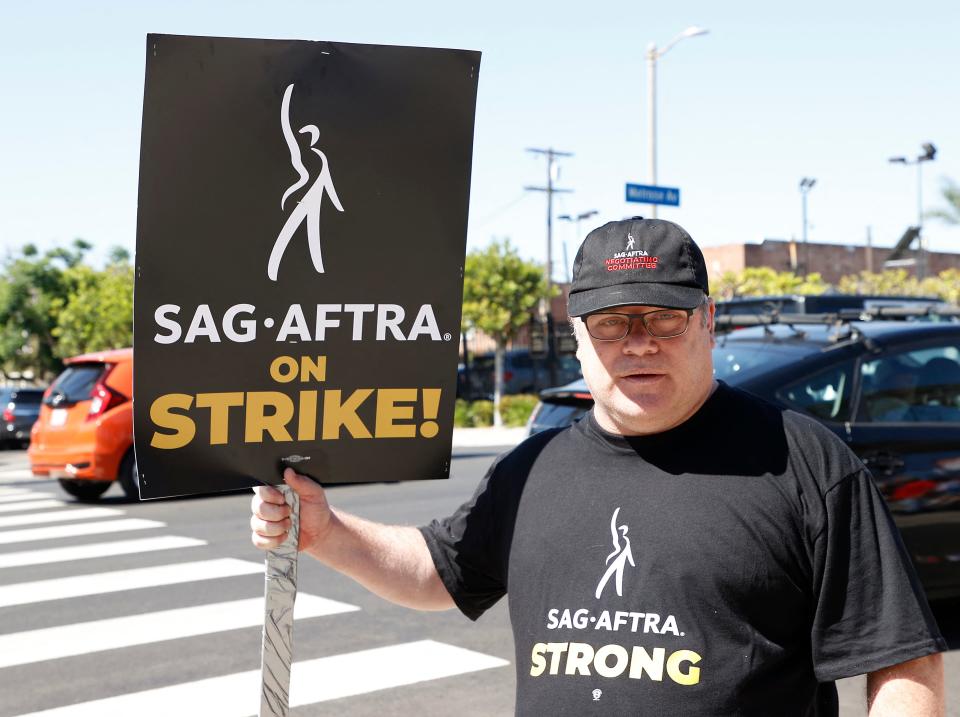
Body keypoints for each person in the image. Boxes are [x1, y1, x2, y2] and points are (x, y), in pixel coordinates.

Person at [252, 218, 946, 715]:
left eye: (662, 318)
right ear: (579, 341)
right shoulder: (531, 468)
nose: (637, 343)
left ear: (708, 322)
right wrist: (328, 530)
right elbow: (439, 569)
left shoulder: (803, 462)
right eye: (612, 324)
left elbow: (900, 660)